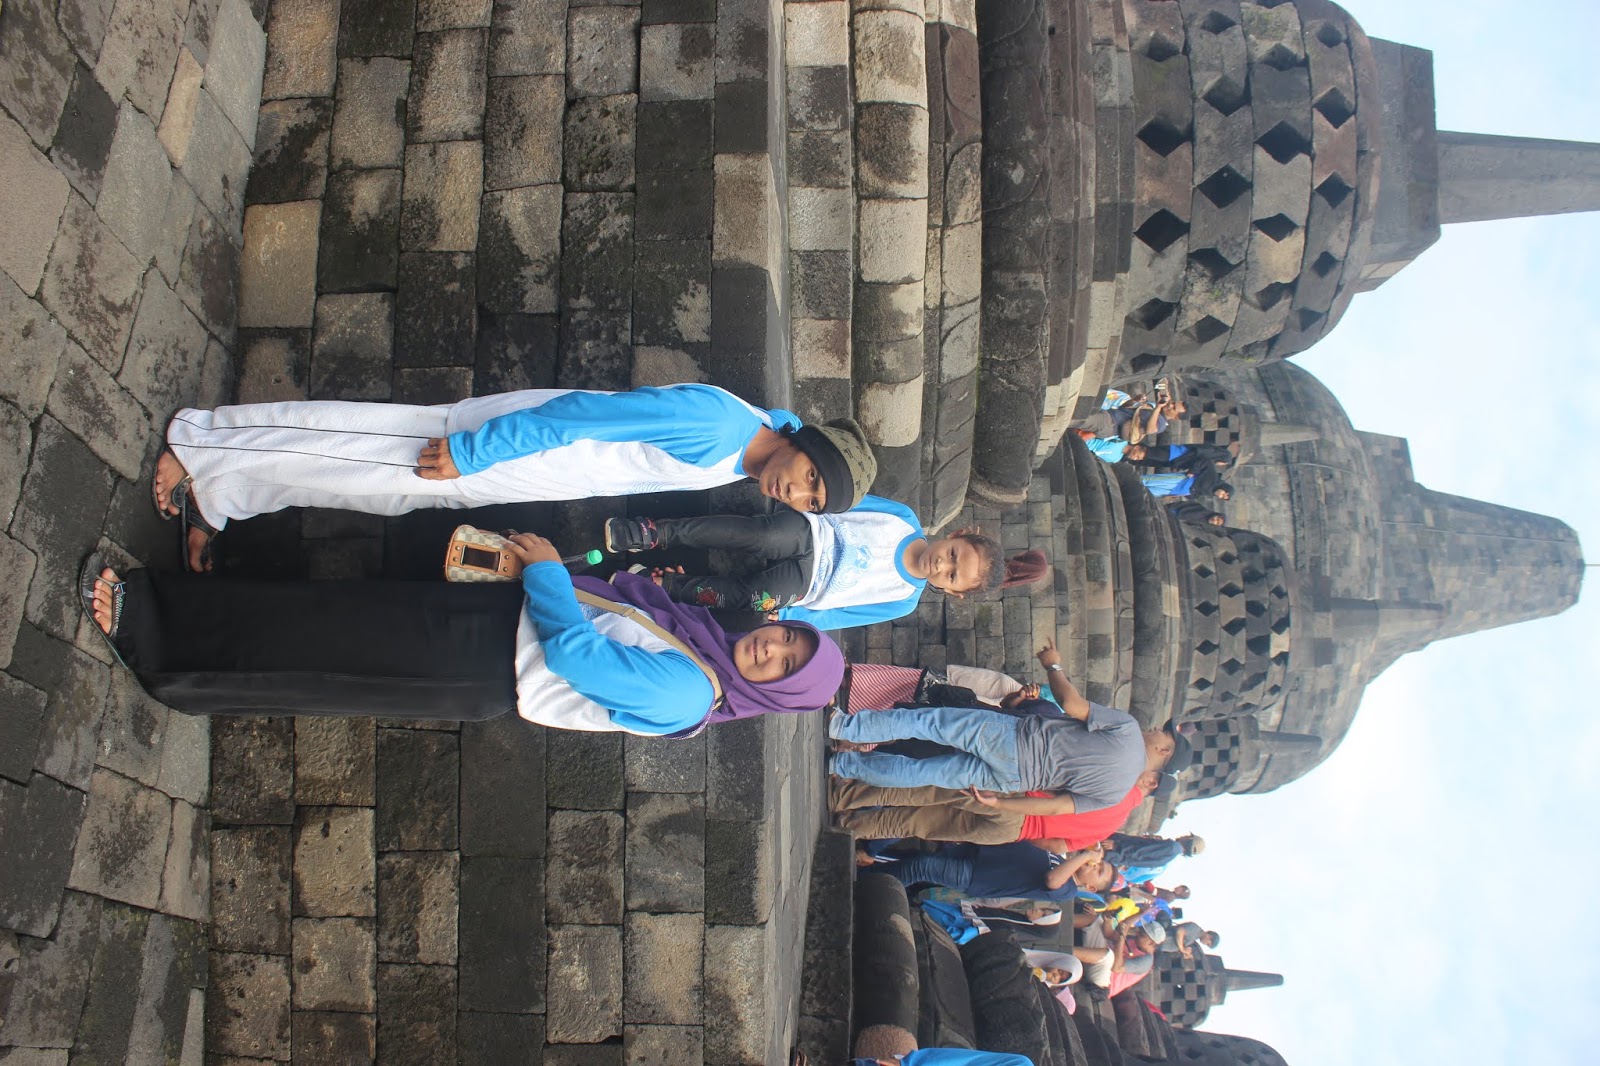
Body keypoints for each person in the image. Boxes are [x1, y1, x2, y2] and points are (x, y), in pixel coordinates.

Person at [79, 534, 844, 734]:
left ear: (775, 695)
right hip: (484, 631)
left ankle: (157, 642)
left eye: (785, 668)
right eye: (788, 640)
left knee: (310, 652)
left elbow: (578, 658)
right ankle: (171, 608)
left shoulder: (691, 692)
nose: (771, 651)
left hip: (476, 663)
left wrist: (547, 573)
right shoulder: (699, 640)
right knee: (316, 616)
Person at [151, 385, 875, 571]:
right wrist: (476, 451)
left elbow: (779, 419)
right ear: (803, 442)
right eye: (811, 475)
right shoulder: (717, 428)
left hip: (520, 468)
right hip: (509, 447)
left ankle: (225, 491)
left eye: (812, 501)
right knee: (354, 451)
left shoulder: (753, 442)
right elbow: (585, 414)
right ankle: (200, 445)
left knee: (364, 481)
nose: (797, 493)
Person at [827, 639, 1193, 812]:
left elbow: (1071, 705)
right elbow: (1055, 807)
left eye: (1161, 732)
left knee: (927, 722)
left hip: (1014, 738)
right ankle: (842, 765)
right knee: (923, 772)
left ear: (1165, 749)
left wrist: (1053, 666)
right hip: (1015, 780)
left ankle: (845, 728)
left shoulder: (1127, 730)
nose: (1154, 729)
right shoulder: (1116, 794)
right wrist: (1001, 803)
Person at [602, 500, 1006, 628]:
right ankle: (656, 532)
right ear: (955, 535)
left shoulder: (903, 600)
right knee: (758, 535)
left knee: (756, 598)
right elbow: (849, 504)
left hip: (809, 584)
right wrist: (808, 500)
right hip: (813, 533)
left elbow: (841, 616)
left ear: (952, 591)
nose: (942, 565)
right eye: (953, 554)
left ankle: (668, 586)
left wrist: (792, 615)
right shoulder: (902, 518)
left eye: (952, 575)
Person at [829, 770, 1159, 844]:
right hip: (1014, 833)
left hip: (1019, 799)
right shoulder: (1111, 826)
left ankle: (845, 796)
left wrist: (1015, 802)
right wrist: (1027, 832)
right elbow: (1056, 846)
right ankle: (848, 828)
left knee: (931, 790)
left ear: (1151, 781)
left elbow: (1059, 786)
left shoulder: (1115, 785)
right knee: (917, 824)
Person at [878, 840, 1116, 906]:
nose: (1095, 865)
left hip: (979, 876)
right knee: (920, 858)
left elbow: (1052, 879)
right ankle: (873, 868)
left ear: (1091, 888)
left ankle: (871, 882)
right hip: (983, 855)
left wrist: (1086, 856)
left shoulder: (1068, 890)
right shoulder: (1062, 858)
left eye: (1098, 871)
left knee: (921, 866)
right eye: (1099, 864)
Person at [1104, 831, 1204, 882]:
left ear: (1189, 840)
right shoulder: (1170, 856)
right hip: (1115, 856)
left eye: (1188, 836)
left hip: (1112, 849)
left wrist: (1116, 846)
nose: (1184, 836)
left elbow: (1141, 852)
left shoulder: (1172, 847)